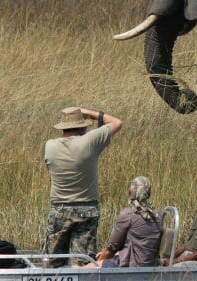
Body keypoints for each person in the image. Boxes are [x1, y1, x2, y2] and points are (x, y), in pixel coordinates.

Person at [43, 106, 123, 265]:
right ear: (82, 126)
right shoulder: (89, 142)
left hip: (59, 209)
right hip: (86, 210)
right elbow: (117, 122)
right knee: (82, 264)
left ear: (63, 127)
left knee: (52, 262)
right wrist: (88, 113)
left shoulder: (50, 146)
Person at [83, 176, 163, 268]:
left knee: (87, 267)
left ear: (131, 191)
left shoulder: (128, 214)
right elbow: (140, 246)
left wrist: (98, 263)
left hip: (130, 266)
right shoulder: (157, 216)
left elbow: (111, 249)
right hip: (149, 265)